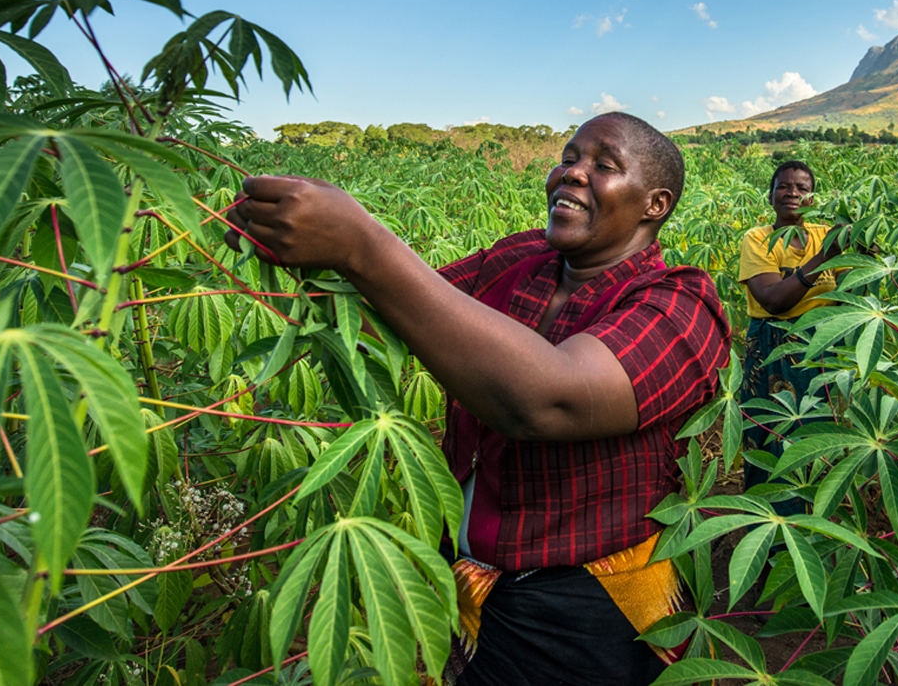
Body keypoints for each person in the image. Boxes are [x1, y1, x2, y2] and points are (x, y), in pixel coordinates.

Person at [224, 113, 729, 686]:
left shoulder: (683, 306)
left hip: (588, 602)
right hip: (466, 576)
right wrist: (305, 247)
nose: (572, 174)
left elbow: (547, 401)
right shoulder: (520, 259)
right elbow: (399, 314)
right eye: (568, 157)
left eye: (603, 166)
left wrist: (362, 243)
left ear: (655, 204)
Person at [736, 160, 841, 502]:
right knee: (767, 436)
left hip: (822, 347)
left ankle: (811, 525)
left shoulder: (829, 233)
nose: (793, 193)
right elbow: (772, 300)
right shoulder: (758, 239)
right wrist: (824, 257)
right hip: (770, 346)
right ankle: (767, 527)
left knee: (816, 440)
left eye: (802, 188)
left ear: (814, 197)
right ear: (770, 195)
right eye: (784, 186)